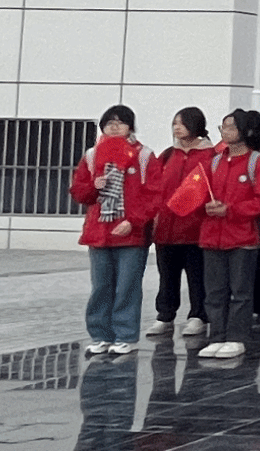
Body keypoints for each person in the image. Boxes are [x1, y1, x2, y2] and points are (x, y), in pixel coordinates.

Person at [69, 104, 158, 356]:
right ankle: (100, 335)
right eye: (109, 122)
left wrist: (134, 221)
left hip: (131, 234)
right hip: (99, 233)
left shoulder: (143, 155)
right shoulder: (92, 155)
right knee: (100, 287)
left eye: (121, 122)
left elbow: (154, 195)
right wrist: (93, 186)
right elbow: (79, 192)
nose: (115, 126)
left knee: (127, 287)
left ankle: (125, 336)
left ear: (131, 126)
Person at [196, 110, 260, 361]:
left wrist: (231, 210)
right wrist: (205, 206)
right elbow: (198, 193)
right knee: (214, 292)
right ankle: (216, 336)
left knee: (240, 291)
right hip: (212, 236)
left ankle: (237, 337)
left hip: (243, 237)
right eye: (223, 127)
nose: (225, 132)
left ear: (245, 130)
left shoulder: (256, 162)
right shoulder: (214, 161)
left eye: (230, 127)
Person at [146, 107, 209, 338]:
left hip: (196, 229)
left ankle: (198, 316)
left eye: (182, 123)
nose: (177, 128)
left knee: (197, 277)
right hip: (166, 228)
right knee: (167, 277)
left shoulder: (210, 156)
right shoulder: (167, 155)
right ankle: (165, 316)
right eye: (174, 123)